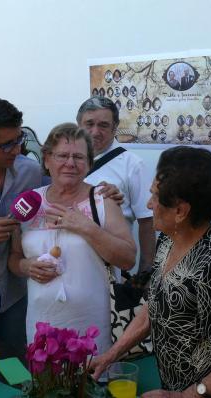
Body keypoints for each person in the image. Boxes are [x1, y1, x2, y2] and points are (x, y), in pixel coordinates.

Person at [0, 97, 128, 349]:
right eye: (7, 144)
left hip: (16, 297)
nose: (17, 149)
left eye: (19, 139)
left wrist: (105, 193)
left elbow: (64, 177)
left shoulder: (29, 171)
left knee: (14, 368)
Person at [90, 146, 211, 397]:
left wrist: (185, 396)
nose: (148, 203)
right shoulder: (169, 240)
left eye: (155, 196)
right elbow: (153, 307)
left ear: (180, 211)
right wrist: (110, 356)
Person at [8, 123, 136, 355]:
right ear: (46, 159)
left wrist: (87, 228)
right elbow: (13, 259)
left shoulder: (102, 201)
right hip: (41, 324)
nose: (70, 163)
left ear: (88, 164)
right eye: (62, 156)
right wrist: (27, 266)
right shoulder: (29, 203)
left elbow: (128, 259)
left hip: (93, 327)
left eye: (78, 156)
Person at [76, 96, 156, 273]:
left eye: (103, 125)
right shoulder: (67, 161)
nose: (95, 131)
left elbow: (147, 221)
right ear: (79, 125)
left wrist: (145, 273)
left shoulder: (132, 165)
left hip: (109, 270)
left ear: (115, 127)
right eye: (89, 124)